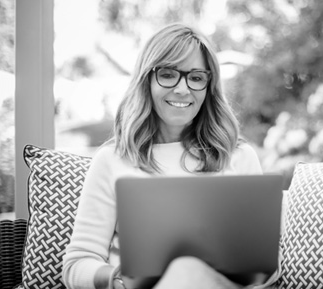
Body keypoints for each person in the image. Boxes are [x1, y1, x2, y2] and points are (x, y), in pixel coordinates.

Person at [62, 23, 274, 289]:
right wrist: (118, 279)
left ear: (209, 87)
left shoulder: (239, 157)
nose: (183, 89)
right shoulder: (111, 160)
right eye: (168, 74)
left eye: (196, 77)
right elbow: (77, 264)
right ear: (147, 80)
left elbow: (264, 268)